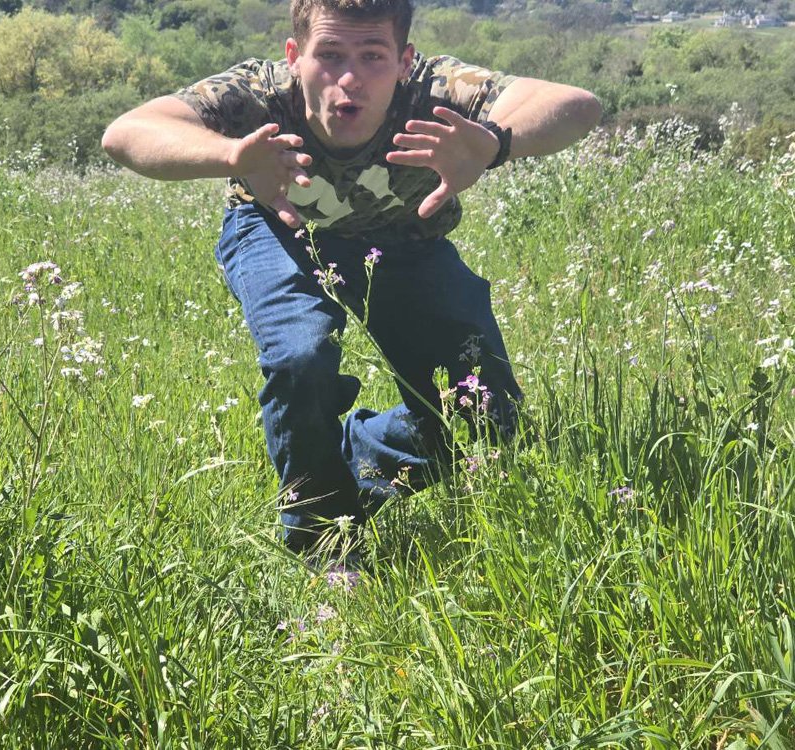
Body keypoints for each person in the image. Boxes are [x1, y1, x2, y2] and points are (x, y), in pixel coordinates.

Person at [102, 0, 601, 553]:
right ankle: (324, 542)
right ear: (295, 56)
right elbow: (127, 133)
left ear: (404, 61)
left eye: (372, 56)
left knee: (482, 412)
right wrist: (231, 156)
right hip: (281, 229)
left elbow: (576, 105)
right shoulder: (260, 92)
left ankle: (354, 456)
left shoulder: (432, 91)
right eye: (330, 55)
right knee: (300, 359)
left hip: (404, 240)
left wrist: (494, 142)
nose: (349, 78)